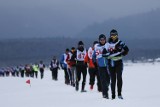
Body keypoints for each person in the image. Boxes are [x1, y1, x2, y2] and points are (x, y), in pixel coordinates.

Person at [107, 29, 129, 99]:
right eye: (112, 35)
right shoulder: (107, 44)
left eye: (115, 35)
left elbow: (127, 49)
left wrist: (122, 54)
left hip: (119, 62)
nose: (113, 37)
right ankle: (113, 95)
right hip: (111, 63)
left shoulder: (120, 42)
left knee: (119, 78)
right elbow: (103, 52)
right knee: (113, 79)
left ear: (117, 35)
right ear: (110, 36)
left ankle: (119, 94)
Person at [92, 34, 110, 99]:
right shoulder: (97, 47)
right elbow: (93, 56)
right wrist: (95, 63)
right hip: (101, 66)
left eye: (103, 39)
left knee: (108, 80)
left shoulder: (107, 45)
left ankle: (106, 88)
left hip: (108, 66)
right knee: (103, 81)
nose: (102, 41)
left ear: (105, 40)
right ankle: (105, 94)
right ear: (99, 40)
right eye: (101, 40)